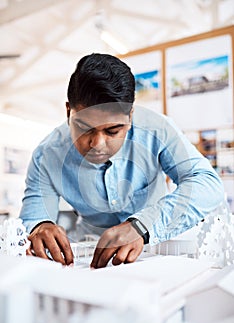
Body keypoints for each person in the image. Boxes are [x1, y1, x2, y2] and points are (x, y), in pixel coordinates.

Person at [20, 53, 224, 268]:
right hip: (88, 254)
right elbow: (35, 215)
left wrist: (143, 226)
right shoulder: (47, 154)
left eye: (112, 130)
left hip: (155, 247)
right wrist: (40, 226)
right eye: (84, 128)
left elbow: (207, 183)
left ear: (130, 116)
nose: (97, 144)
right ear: (69, 111)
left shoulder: (158, 129)